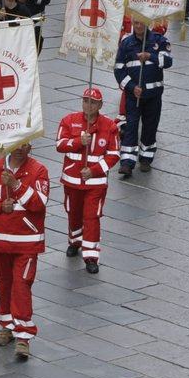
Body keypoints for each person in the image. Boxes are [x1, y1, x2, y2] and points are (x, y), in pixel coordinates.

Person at [0, 142, 50, 360]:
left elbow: (38, 203)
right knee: (3, 284)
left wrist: (16, 185)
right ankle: (7, 325)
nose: (21, 147)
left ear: (32, 145)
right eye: (17, 142)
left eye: (26, 143)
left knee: (21, 285)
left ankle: (23, 336)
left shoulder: (39, 170)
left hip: (26, 242)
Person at [55, 88, 121, 273]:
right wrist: (78, 141)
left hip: (95, 183)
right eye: (85, 100)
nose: (88, 105)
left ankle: (91, 256)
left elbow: (114, 154)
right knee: (73, 213)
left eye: (92, 101)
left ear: (100, 105)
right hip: (72, 180)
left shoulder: (110, 126)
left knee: (92, 217)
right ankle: (75, 241)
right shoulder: (69, 120)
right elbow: (59, 144)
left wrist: (94, 171)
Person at [114, 23, 173, 176]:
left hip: (153, 95)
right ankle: (127, 162)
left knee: (150, 126)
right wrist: (132, 87)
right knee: (131, 126)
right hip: (134, 96)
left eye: (141, 22)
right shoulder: (126, 43)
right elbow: (119, 69)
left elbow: (168, 62)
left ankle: (146, 158)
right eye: (136, 22)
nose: (138, 25)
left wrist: (150, 56)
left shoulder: (159, 41)